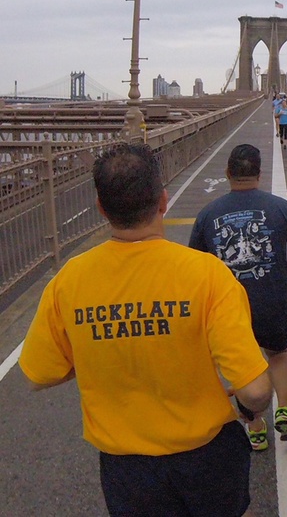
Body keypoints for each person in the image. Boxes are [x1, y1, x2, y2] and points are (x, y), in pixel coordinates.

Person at [19, 143, 271, 517]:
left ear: (102, 208)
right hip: (206, 454)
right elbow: (255, 390)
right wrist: (252, 410)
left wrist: (94, 350)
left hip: (126, 466)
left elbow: (37, 375)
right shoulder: (206, 274)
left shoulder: (69, 280)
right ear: (163, 201)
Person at [189, 143, 287, 452]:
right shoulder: (280, 207)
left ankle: (256, 427)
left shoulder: (208, 213)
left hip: (230, 306)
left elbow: (194, 263)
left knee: (241, 366)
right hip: (274, 297)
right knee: (278, 354)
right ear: (259, 173)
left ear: (228, 174)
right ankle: (283, 408)